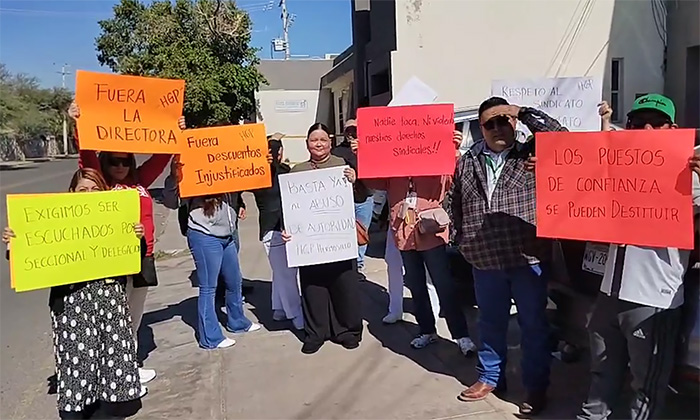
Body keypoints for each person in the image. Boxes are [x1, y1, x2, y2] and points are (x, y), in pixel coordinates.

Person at [576, 94, 700, 420]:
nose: (645, 128)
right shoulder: (618, 168)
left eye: (655, 123)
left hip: (653, 299)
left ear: (671, 128)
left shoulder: (691, 174)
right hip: (610, 292)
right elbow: (585, 177)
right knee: (601, 371)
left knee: (646, 383)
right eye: (636, 122)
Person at [452, 97, 566, 415]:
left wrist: (523, 113)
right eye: (490, 123)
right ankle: (490, 376)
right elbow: (456, 201)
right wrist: (462, 239)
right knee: (489, 322)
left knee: (533, 325)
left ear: (513, 123)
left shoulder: (532, 152)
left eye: (504, 120)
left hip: (526, 256)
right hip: (484, 257)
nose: (498, 127)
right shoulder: (468, 159)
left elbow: (561, 137)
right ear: (480, 128)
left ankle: (535, 386)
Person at [3, 168, 145, 419]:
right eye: (83, 189)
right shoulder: (56, 223)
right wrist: (16, 242)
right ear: (71, 193)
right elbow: (30, 256)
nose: (89, 194)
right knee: (76, 366)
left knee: (110, 363)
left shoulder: (115, 220)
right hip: (72, 307)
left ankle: (108, 410)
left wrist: (136, 237)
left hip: (109, 303)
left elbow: (135, 258)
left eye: (95, 189)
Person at [68, 102, 165, 385]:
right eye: (114, 161)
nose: (120, 167)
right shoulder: (103, 185)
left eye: (125, 161)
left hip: (143, 257)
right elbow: (86, 157)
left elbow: (162, 157)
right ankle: (111, 371)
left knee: (134, 315)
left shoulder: (140, 180)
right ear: (105, 163)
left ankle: (128, 364)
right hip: (114, 260)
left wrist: (174, 130)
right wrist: (79, 124)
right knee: (114, 318)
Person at [357, 130, 476, 356]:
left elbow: (452, 178)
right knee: (416, 285)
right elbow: (373, 180)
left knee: (444, 285)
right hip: (404, 234)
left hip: (430, 232)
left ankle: (461, 335)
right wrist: (363, 155)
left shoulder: (434, 163)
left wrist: (453, 150)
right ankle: (427, 330)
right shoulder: (393, 167)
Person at [162, 154, 261, 349]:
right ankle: (210, 337)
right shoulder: (190, 173)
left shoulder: (226, 171)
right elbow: (171, 201)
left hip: (228, 234)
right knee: (208, 287)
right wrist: (174, 176)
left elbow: (248, 182)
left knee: (234, 281)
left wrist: (262, 163)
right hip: (204, 235)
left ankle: (237, 321)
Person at [282, 123, 363, 354]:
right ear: (307, 144)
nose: (318, 144)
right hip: (310, 245)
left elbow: (362, 196)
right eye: (313, 140)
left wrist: (356, 180)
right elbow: (287, 208)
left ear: (330, 142)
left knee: (344, 286)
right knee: (313, 288)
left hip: (339, 239)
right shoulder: (296, 172)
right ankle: (316, 333)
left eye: (323, 140)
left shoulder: (342, 166)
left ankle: (347, 331)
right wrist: (286, 230)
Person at [248, 133, 303, 330]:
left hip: (272, 228)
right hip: (277, 228)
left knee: (280, 271)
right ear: (280, 153)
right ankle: (296, 315)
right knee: (287, 274)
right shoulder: (282, 172)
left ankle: (279, 308)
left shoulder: (255, 175)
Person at [332, 119, 373, 272]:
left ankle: (359, 266)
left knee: (361, 234)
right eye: (348, 130)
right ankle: (348, 265)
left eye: (354, 130)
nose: (351, 133)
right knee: (346, 235)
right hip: (344, 201)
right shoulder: (336, 152)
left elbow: (373, 171)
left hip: (365, 199)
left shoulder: (369, 149)